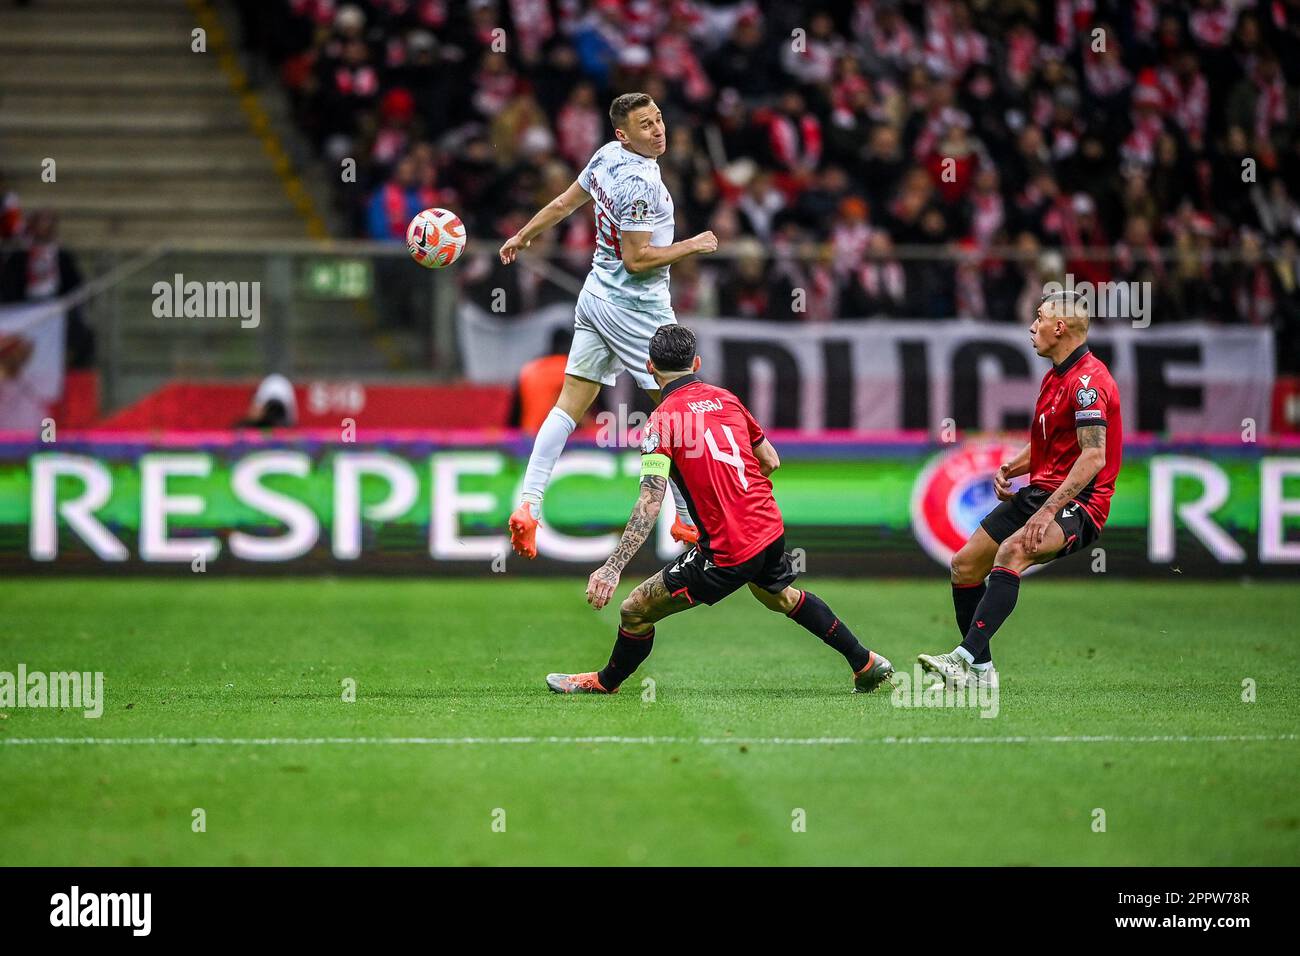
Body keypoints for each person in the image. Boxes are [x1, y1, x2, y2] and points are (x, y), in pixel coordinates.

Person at [546, 324, 894, 696]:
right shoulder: (726, 398)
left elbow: (650, 501)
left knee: (634, 610)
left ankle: (604, 683)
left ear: (650, 367)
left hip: (729, 549)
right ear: (696, 362)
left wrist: (612, 567)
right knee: (780, 596)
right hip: (769, 528)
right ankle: (865, 661)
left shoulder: (661, 422)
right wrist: (733, 503)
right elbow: (770, 460)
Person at [497, 92, 719, 559]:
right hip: (637, 308)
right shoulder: (639, 183)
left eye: (659, 119)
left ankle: (529, 506)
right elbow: (637, 260)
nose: (658, 129)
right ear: (625, 134)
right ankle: (685, 517)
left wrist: (523, 234)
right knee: (678, 409)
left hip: (595, 295)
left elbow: (562, 204)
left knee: (568, 405)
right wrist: (692, 245)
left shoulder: (606, 156)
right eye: (645, 125)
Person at [917, 290, 1123, 687]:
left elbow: (1093, 456)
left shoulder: (1088, 384)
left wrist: (1047, 512)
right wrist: (1012, 466)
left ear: (1059, 327)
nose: (1032, 326)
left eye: (1040, 317)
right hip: (1039, 493)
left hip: (1079, 503)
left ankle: (962, 659)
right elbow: (1049, 443)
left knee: (1012, 552)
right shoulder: (1054, 377)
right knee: (964, 565)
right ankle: (981, 672)